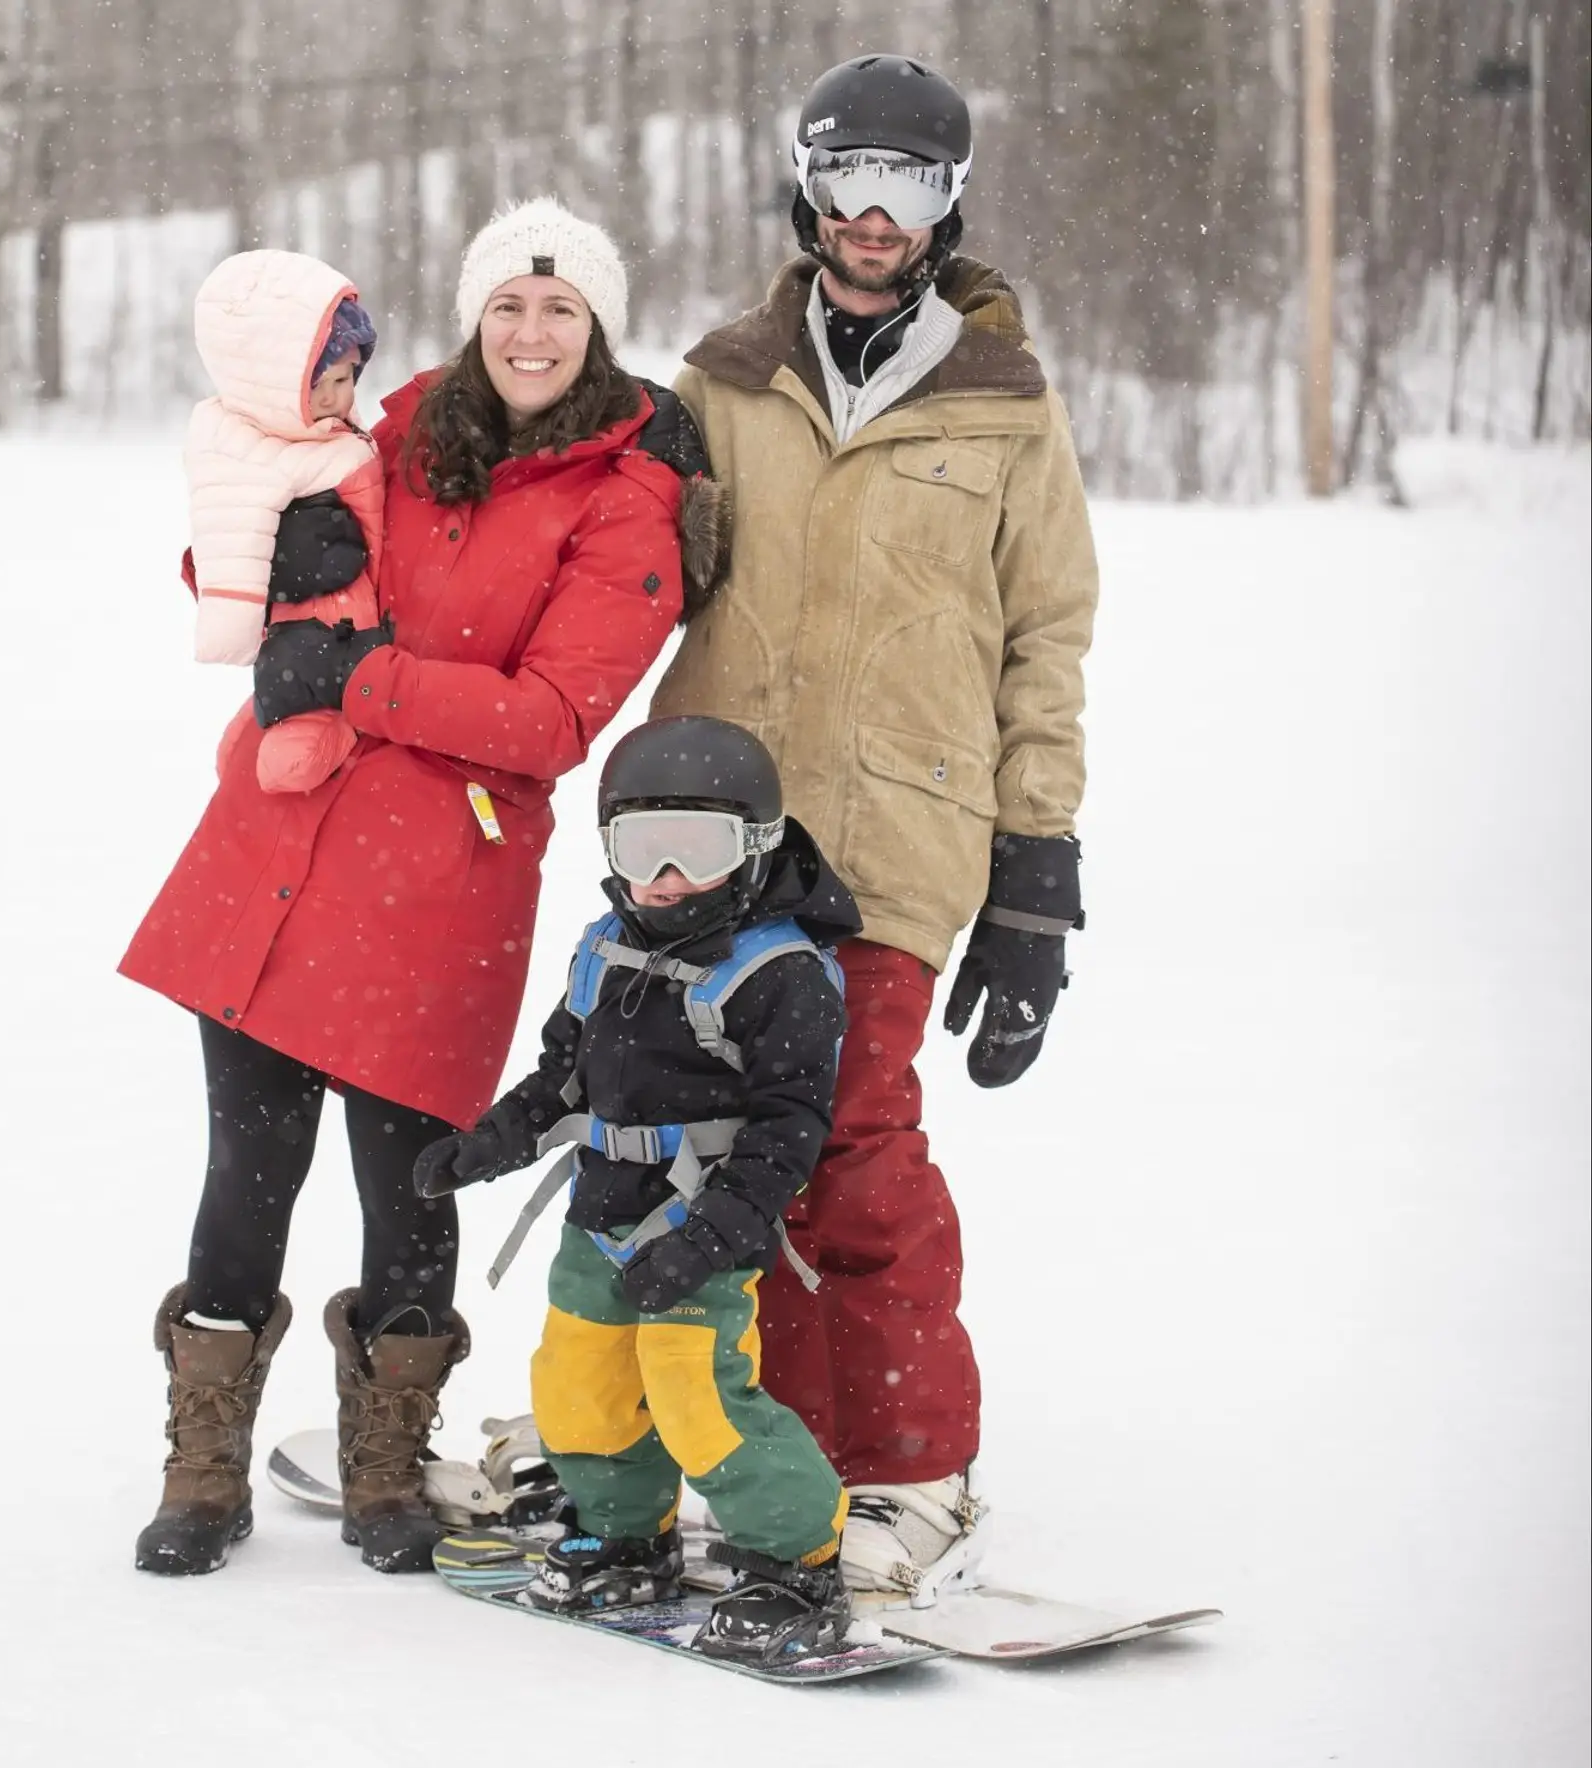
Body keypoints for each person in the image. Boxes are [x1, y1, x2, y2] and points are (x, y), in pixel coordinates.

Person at [119, 198, 721, 1579]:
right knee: (246, 1173)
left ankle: (387, 1465)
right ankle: (203, 1470)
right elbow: (265, 503)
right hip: (284, 842)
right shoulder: (400, 425)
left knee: (409, 1189)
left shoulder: (628, 497)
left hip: (440, 877)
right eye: (508, 303)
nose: (528, 331)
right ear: (473, 315)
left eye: (559, 310)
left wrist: (364, 681)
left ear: (600, 327)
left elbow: (554, 717)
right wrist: (245, 573)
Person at [650, 54, 1100, 1601]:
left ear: (949, 205)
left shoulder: (1008, 404)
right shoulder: (720, 382)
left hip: (904, 835)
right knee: (712, 1150)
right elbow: (601, 553)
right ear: (805, 188)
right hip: (722, 837)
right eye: (849, 181)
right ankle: (769, 1456)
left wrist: (1038, 870)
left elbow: (1048, 632)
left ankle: (912, 1467)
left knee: (850, 1141)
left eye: (908, 188)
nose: (873, 216)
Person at [413, 716, 863, 1662]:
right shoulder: (604, 945)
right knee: (580, 1389)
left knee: (699, 1398)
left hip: (703, 1226)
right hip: (598, 1221)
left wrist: (704, 1241)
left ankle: (795, 1557)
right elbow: (560, 1076)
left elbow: (788, 1137)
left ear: (755, 849)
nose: (663, 877)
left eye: (694, 851)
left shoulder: (781, 976)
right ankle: (625, 1535)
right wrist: (487, 1145)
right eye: (638, 846)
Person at [183, 249, 384, 795]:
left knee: (263, 734)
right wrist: (256, 595)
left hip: (363, 619)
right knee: (288, 754)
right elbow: (226, 534)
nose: (339, 397)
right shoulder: (242, 445)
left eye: (348, 379)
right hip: (319, 634)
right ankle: (315, 732)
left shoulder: (327, 426)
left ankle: (269, 731)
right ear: (274, 382)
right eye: (322, 382)